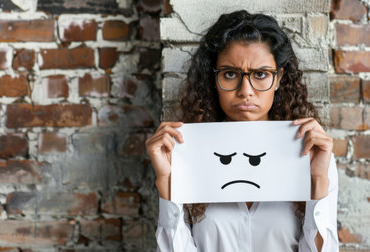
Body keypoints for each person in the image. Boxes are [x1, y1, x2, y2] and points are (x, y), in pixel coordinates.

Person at [145, 10, 338, 252]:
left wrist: (319, 180)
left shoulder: (312, 152)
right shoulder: (186, 154)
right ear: (214, 80)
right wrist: (166, 182)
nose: (245, 90)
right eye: (229, 74)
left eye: (260, 74)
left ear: (278, 78)